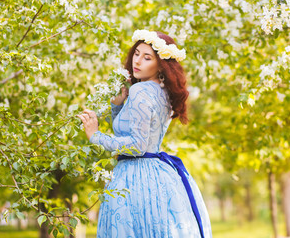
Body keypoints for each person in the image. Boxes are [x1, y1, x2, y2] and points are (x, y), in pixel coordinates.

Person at [77, 29, 212, 238]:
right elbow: (134, 132)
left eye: (147, 57)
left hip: (134, 177)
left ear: (161, 64)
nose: (137, 61)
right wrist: (117, 106)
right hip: (159, 175)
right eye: (137, 53)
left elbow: (137, 146)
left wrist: (96, 136)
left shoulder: (141, 91)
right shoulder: (163, 92)